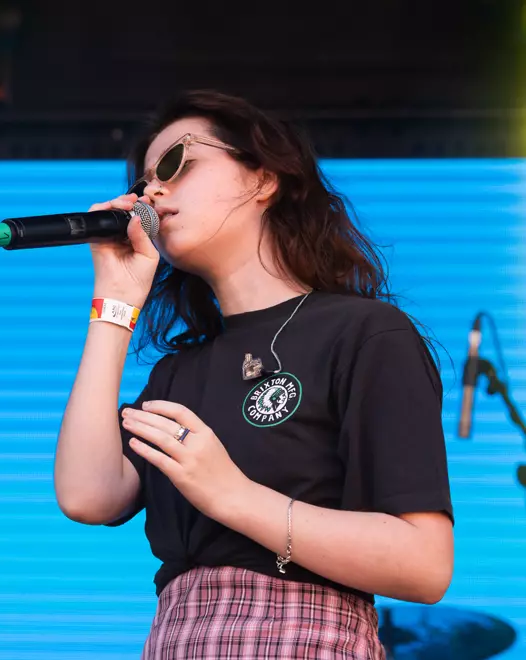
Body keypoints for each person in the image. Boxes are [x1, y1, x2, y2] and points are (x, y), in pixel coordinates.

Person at [53, 90, 454, 659]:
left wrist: (234, 496)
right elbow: (88, 496)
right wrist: (116, 300)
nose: (154, 192)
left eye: (177, 164)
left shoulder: (365, 333)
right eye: (144, 184)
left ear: (264, 179)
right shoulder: (178, 372)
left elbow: (425, 564)